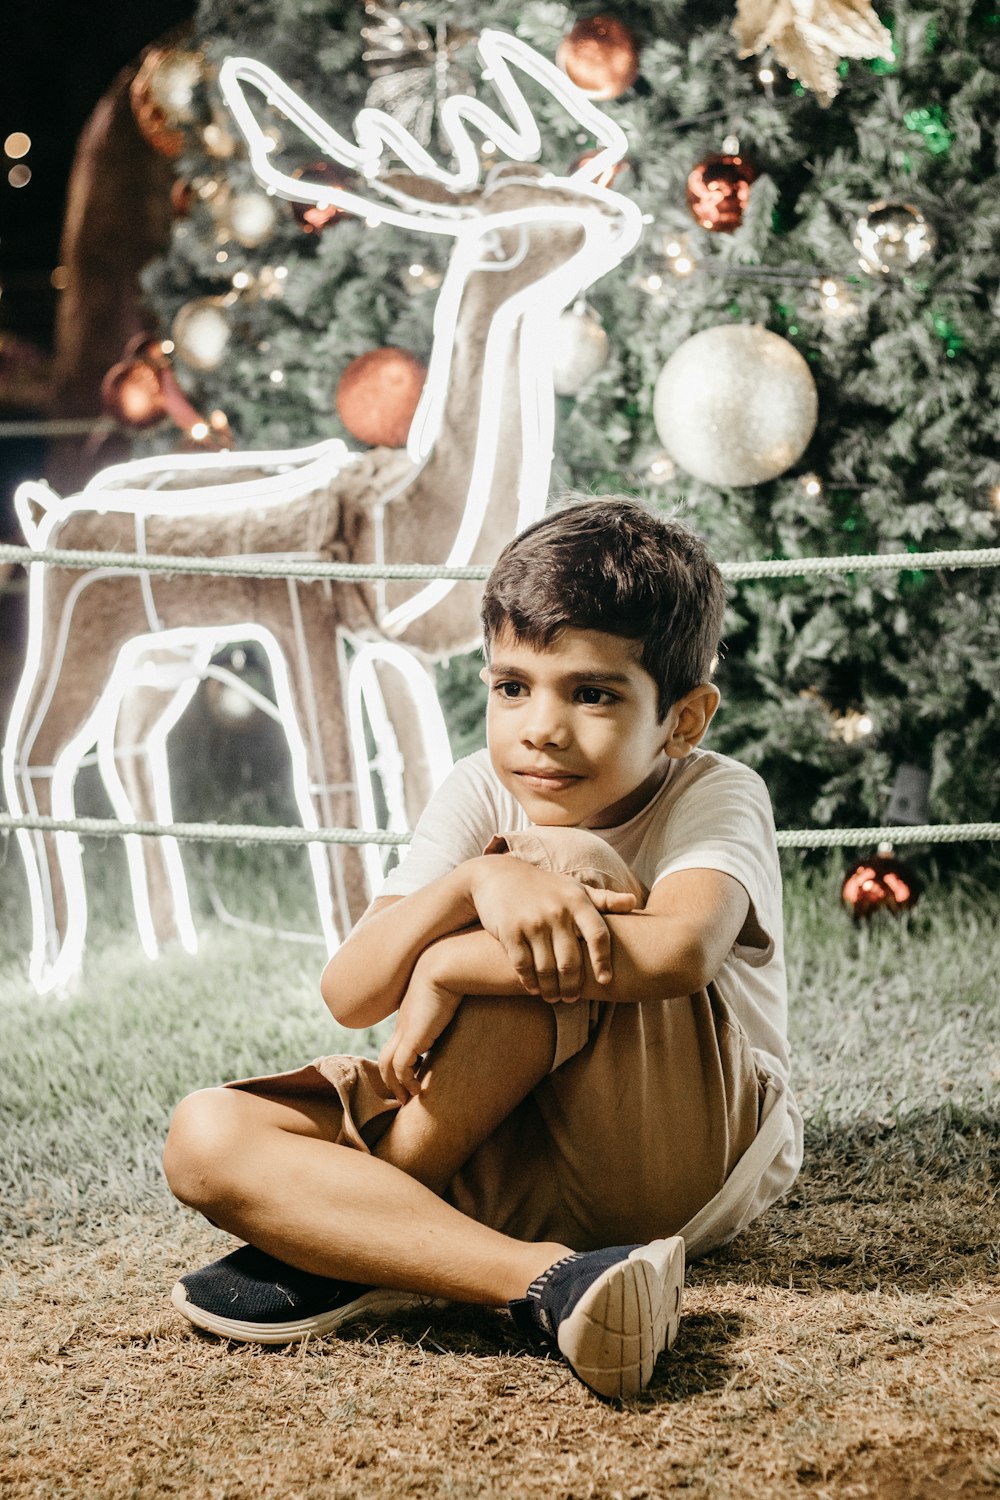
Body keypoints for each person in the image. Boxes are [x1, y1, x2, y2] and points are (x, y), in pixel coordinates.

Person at [163, 496, 803, 1401]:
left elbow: (677, 958)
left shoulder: (716, 790)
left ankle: (351, 1227)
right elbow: (351, 991)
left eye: (592, 693)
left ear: (684, 720)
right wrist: (472, 886)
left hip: (679, 1145)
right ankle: (544, 1281)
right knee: (205, 1134)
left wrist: (452, 961)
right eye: (513, 687)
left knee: (566, 862)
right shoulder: (476, 786)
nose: (540, 727)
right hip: (511, 1130)